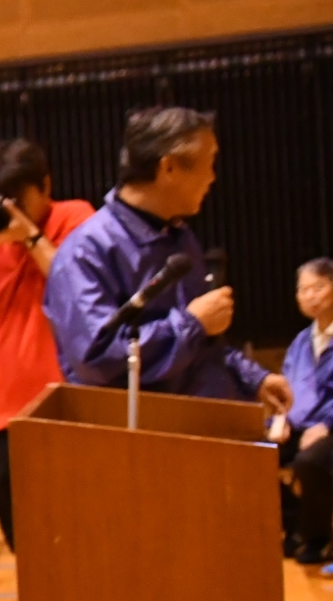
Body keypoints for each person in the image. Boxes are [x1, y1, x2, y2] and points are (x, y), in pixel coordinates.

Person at [45, 106, 289, 414]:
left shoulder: (179, 236)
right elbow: (97, 358)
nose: (213, 177)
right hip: (140, 431)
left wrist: (252, 377)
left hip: (203, 420)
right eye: (208, 163)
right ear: (169, 167)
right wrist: (192, 323)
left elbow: (202, 341)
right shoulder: (85, 252)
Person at [0, 138, 96, 563]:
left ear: (46, 186)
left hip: (69, 410)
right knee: (26, 551)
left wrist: (29, 236)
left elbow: (79, 287)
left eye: (18, 201)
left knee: (80, 539)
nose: (7, 211)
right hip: (3, 417)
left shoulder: (74, 217)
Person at [278, 259, 333, 564]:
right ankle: (295, 525)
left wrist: (326, 424)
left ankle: (318, 537)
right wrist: (281, 420)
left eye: (318, 287)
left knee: (310, 461)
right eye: (303, 290)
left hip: (329, 426)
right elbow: (285, 388)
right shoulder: (301, 341)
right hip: (301, 423)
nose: (310, 296)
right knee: (257, 451)